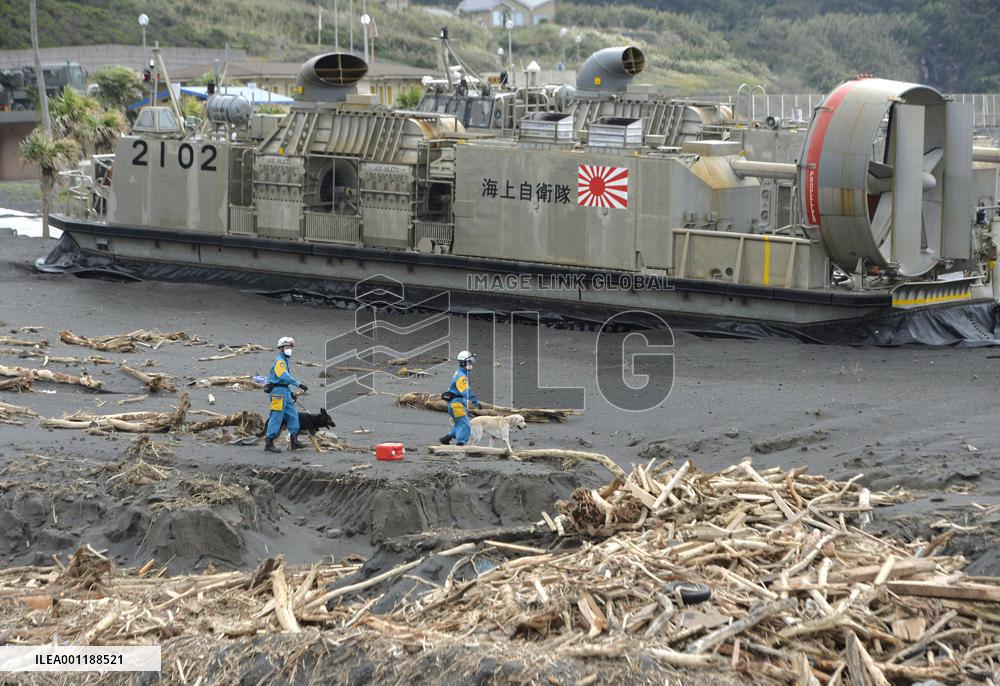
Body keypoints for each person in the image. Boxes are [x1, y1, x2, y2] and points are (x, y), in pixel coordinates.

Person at [264, 336, 308, 453]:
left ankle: (294, 440)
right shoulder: (280, 361)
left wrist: (290, 393)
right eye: (287, 347)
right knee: (276, 416)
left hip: (284, 391)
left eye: (290, 347)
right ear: (281, 348)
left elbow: (284, 383)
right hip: (278, 393)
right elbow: (283, 376)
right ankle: (269, 442)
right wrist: (298, 384)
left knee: (293, 414)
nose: (289, 349)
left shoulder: (284, 360)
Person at [440, 350, 480, 445]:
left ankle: (446, 439)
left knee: (459, 423)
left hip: (455, 404)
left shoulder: (459, 372)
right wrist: (475, 401)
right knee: (465, 425)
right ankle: (460, 444)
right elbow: (466, 392)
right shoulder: (461, 377)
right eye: (469, 362)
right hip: (457, 404)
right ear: (463, 363)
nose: (471, 364)